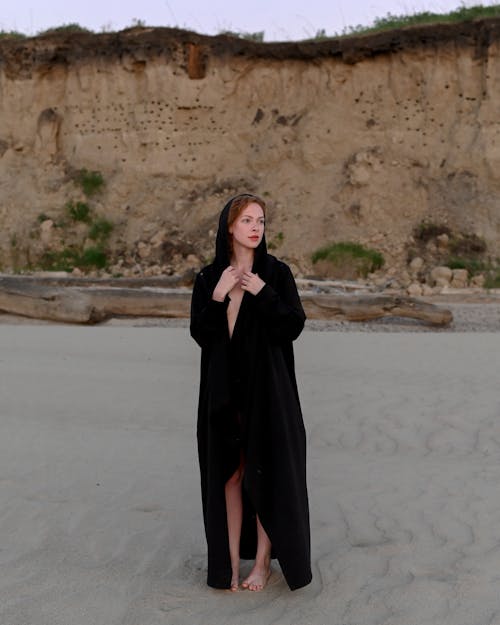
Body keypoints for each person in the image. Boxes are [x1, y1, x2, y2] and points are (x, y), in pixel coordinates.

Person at [190, 193, 312, 592]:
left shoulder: (276, 274)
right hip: (223, 394)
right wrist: (218, 295)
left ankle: (261, 563)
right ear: (230, 227)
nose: (256, 227)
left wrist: (262, 292)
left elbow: (292, 326)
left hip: (268, 394)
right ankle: (226, 563)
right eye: (247, 220)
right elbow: (202, 336)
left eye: (261, 220)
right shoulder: (209, 278)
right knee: (230, 473)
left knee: (265, 472)